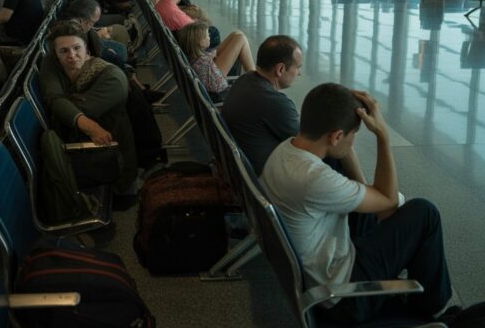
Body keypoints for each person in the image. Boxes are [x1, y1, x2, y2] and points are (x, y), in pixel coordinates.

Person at [262, 84, 451, 325]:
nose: (353, 142)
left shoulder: (285, 150)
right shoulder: (315, 178)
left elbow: (375, 196)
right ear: (336, 136)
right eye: (353, 135)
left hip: (318, 264)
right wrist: (383, 137)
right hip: (341, 297)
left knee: (352, 179)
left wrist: (346, 145)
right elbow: (389, 199)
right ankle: (432, 306)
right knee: (424, 213)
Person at [39, 20, 137, 192]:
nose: (71, 55)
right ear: (56, 54)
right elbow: (55, 100)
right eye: (64, 51)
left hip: (109, 153)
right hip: (78, 142)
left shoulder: (113, 78)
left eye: (77, 48)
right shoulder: (51, 63)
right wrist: (89, 125)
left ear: (87, 49)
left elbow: (67, 108)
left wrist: (62, 106)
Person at [220, 36, 304, 174]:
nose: (299, 73)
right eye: (298, 67)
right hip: (263, 178)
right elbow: (308, 146)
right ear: (280, 69)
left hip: (237, 170)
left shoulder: (244, 79)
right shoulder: (276, 103)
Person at [177, 21, 255, 97]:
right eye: (207, 35)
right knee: (241, 38)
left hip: (207, 68)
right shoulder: (201, 60)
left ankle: (253, 77)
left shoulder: (194, 55)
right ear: (200, 42)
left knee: (236, 34)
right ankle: (256, 81)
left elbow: (208, 56)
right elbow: (208, 58)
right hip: (214, 79)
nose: (209, 37)